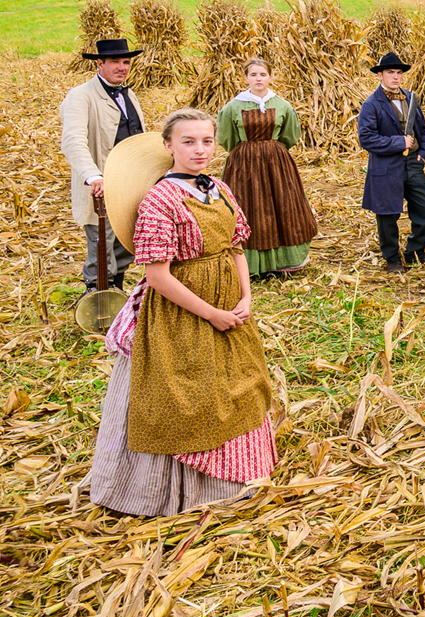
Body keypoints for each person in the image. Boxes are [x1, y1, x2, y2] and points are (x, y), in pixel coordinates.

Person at [90, 109, 277, 516]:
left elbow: (236, 247)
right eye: (188, 142)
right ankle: (177, 491)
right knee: (184, 396)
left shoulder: (221, 190)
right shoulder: (160, 199)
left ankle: (235, 475)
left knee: (238, 385)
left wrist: (244, 298)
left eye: (207, 141)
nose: (199, 150)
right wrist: (210, 313)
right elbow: (156, 276)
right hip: (182, 313)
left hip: (228, 303)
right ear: (168, 146)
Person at [60, 38, 145, 297]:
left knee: (124, 238)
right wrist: (93, 176)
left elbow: (137, 135)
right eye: (115, 62)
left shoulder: (129, 94)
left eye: (126, 62)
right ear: (99, 64)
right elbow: (73, 141)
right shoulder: (80, 96)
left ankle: (116, 292)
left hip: (130, 181)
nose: (122, 67)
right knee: (101, 242)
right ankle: (97, 296)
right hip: (101, 184)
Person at [217, 58, 318, 277]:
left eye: (262, 74)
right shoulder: (233, 106)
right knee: (248, 208)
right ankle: (251, 266)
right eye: (253, 75)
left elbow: (290, 135)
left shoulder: (282, 105)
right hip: (244, 166)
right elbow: (227, 138)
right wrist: (247, 153)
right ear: (246, 78)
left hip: (276, 165)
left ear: (270, 77)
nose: (258, 79)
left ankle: (282, 262)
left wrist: (272, 151)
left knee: (282, 206)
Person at [358, 52, 425, 274]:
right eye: (390, 73)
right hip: (385, 167)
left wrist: (423, 153)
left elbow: (422, 129)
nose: (395, 77)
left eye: (398, 73)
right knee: (387, 215)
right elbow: (366, 138)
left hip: (413, 164)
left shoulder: (411, 98)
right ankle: (392, 259)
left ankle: (415, 252)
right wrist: (398, 142)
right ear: (380, 75)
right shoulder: (371, 104)